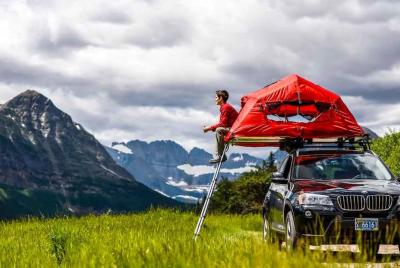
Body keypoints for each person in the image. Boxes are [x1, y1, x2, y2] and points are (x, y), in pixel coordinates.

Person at [203, 90, 239, 164]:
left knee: (219, 130)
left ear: (221, 98)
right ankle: (220, 155)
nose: (215, 99)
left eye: (216, 97)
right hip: (232, 128)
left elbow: (222, 124)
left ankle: (220, 156)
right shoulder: (224, 107)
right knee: (218, 129)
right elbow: (222, 124)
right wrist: (210, 128)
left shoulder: (226, 107)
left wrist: (209, 128)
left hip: (235, 129)